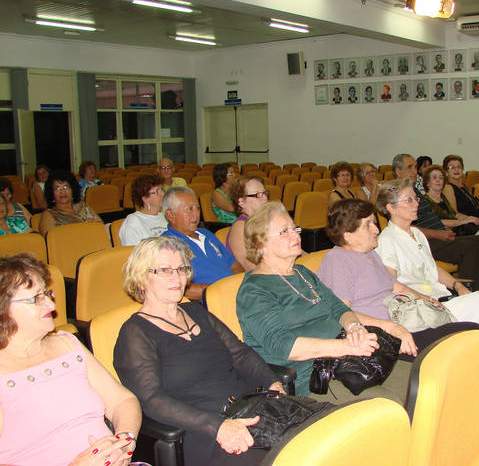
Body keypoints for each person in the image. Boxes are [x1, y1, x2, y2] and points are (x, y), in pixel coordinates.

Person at [114, 237, 283, 465]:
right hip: (202, 432)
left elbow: (240, 354)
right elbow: (151, 400)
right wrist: (218, 426)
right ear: (142, 277)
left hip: (248, 408)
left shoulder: (196, 311)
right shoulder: (135, 333)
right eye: (164, 270)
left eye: (181, 269)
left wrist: (272, 382)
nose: (177, 277)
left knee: (323, 434)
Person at [236, 202, 413, 402]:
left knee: (422, 380)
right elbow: (284, 346)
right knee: (389, 405)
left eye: (295, 228)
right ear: (261, 244)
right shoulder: (254, 290)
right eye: (284, 231)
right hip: (314, 379)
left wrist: (354, 327)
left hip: (349, 361)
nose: (295, 235)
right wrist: (348, 347)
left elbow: (338, 307)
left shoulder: (302, 273)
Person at [0, 253, 141, 466]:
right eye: (35, 298)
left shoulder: (67, 344)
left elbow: (122, 401)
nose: (50, 305)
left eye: (46, 294)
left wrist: (124, 440)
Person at [317, 199, 479, 355]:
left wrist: (428, 299)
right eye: (368, 225)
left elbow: (396, 286)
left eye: (374, 222)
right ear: (348, 236)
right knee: (466, 333)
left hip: (405, 319)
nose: (376, 229)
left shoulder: (369, 253)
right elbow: (341, 312)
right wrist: (391, 327)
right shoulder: (337, 261)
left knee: (470, 328)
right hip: (383, 335)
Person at [374, 181, 479, 330]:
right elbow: (392, 286)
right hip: (422, 309)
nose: (416, 204)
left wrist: (457, 285)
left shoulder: (417, 234)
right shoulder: (387, 240)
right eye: (409, 200)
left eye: (416, 199)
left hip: (440, 297)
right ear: (391, 207)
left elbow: (432, 268)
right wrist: (426, 299)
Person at [392, 154, 479, 291]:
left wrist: (443, 229)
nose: (414, 171)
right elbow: (405, 227)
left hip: (439, 235)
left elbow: (431, 217)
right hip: (423, 242)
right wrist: (438, 234)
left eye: (415, 167)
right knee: (470, 248)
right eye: (410, 167)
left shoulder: (415, 191)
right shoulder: (397, 194)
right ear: (398, 171)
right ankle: (471, 291)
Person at [161, 187, 239, 300]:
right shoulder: (167, 244)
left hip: (236, 295)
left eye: (198, 208)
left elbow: (234, 265)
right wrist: (224, 290)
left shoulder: (206, 234)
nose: (196, 214)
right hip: (212, 303)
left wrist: (242, 284)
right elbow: (182, 288)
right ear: (170, 215)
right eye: (189, 209)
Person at [422, 165, 479, 236]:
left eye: (441, 178)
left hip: (456, 228)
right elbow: (436, 222)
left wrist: (471, 218)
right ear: (427, 182)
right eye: (434, 178)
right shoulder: (424, 200)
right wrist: (463, 221)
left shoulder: (443, 197)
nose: (438, 180)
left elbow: (455, 215)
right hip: (444, 233)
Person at [39, 170, 103, 236]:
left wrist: (95, 225)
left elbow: (101, 227)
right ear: (52, 193)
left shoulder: (83, 206)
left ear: (72, 189)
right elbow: (50, 241)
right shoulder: (49, 215)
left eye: (65, 187)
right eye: (57, 188)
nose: (62, 191)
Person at [227, 175, 270, 271]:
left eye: (265, 193)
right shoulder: (240, 227)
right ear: (241, 201)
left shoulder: (265, 222)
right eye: (258, 195)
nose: (265, 198)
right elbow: (252, 268)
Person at [119, 174, 168, 246]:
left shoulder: (165, 216)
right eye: (157, 191)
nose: (163, 194)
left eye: (161, 189)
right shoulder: (133, 222)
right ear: (145, 199)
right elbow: (132, 253)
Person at [442, 155, 479, 221]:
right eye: (452, 167)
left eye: (459, 167)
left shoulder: (463, 186)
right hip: (466, 224)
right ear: (446, 172)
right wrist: (477, 220)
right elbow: (454, 214)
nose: (456, 170)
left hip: (478, 220)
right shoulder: (448, 188)